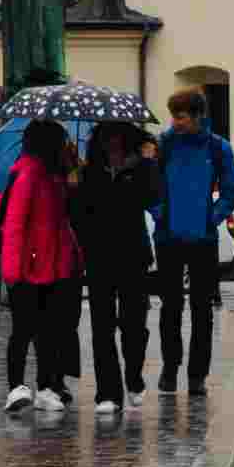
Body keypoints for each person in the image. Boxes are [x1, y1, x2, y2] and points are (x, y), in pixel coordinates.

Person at [69, 123, 160, 417]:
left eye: (117, 137)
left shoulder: (140, 168)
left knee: (133, 325)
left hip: (133, 255)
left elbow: (153, 196)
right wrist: (73, 188)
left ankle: (133, 377)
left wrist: (147, 163)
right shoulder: (88, 172)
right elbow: (78, 216)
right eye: (106, 138)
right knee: (102, 327)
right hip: (99, 259)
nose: (112, 143)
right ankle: (107, 393)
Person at [154, 87, 234, 396]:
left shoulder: (218, 148)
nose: (175, 122)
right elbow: (151, 185)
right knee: (170, 308)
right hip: (168, 238)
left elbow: (231, 188)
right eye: (173, 116)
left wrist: (212, 216)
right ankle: (169, 368)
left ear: (197, 115)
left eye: (181, 116)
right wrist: (160, 213)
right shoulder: (163, 145)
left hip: (203, 238)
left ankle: (197, 375)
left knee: (202, 310)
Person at [3, 119, 84, 415]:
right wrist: (12, 271)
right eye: (60, 141)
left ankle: (47, 387)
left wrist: (72, 174)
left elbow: (65, 221)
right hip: (29, 268)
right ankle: (16, 387)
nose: (65, 146)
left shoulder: (54, 175)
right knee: (24, 329)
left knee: (49, 330)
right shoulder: (28, 174)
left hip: (55, 265)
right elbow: (13, 224)